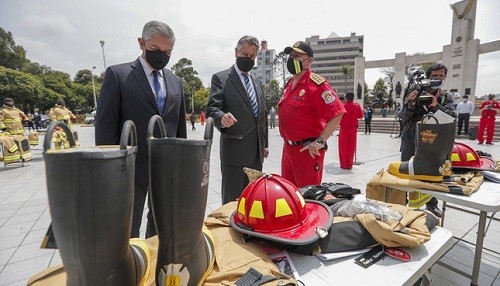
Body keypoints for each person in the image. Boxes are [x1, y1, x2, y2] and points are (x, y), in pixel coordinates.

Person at [95, 20, 187, 238]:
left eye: (167, 51)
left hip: (165, 167)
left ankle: (152, 260)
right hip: (129, 167)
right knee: (127, 225)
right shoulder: (118, 75)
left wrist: (180, 160)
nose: (161, 54)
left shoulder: (176, 81)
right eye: (155, 48)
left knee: (160, 223)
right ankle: (129, 265)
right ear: (141, 43)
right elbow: (105, 124)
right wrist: (107, 166)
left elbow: (179, 125)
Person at [206, 35, 269, 204]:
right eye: (244, 53)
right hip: (234, 153)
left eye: (252, 56)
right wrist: (222, 118)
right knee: (232, 202)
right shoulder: (221, 78)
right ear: (236, 52)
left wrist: (265, 144)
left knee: (253, 201)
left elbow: (261, 116)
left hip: (256, 154)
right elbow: (212, 109)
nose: (248, 58)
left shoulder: (257, 82)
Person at [278, 41, 345, 188]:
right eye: (291, 55)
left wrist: (320, 141)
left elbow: (337, 113)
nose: (291, 59)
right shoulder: (289, 84)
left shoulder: (316, 85)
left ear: (309, 61)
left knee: (307, 197)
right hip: (288, 149)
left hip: (307, 151)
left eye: (296, 56)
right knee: (289, 195)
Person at [400, 63, 456, 217]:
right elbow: (402, 117)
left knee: (431, 173)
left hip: (433, 142)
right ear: (427, 77)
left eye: (440, 76)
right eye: (434, 76)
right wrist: (410, 104)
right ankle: (404, 203)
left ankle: (431, 204)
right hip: (411, 139)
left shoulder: (445, 97)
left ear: (445, 77)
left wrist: (436, 106)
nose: (437, 79)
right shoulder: (414, 92)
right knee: (407, 171)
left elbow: (452, 117)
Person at [338, 92, 363, 169]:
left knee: (343, 147)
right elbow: (361, 116)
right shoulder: (357, 106)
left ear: (346, 98)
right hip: (353, 129)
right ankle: (349, 164)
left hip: (344, 128)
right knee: (351, 146)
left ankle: (344, 164)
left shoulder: (342, 106)